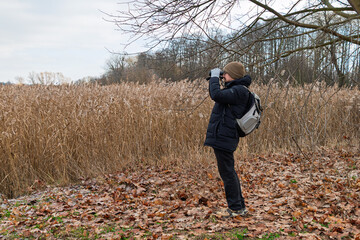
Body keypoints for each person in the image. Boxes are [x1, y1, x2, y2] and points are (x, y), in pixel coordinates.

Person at [204, 61, 252, 218]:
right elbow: (219, 96)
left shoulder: (239, 91)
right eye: (222, 73)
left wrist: (214, 78)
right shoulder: (234, 90)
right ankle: (239, 207)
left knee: (228, 173)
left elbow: (215, 94)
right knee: (229, 172)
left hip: (225, 137)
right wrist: (216, 78)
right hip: (223, 137)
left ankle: (236, 208)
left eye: (225, 73)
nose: (223, 75)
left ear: (234, 75)